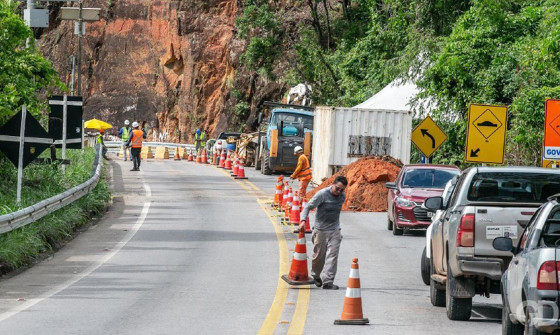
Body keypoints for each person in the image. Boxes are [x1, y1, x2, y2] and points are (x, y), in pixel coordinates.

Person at [299, 176, 348, 290]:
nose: (339, 192)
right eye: (337, 188)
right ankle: (316, 275)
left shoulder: (342, 196)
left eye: (342, 190)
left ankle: (328, 281)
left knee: (332, 256)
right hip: (320, 230)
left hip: (334, 229)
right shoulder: (322, 194)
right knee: (319, 256)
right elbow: (308, 206)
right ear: (332, 184)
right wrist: (302, 221)